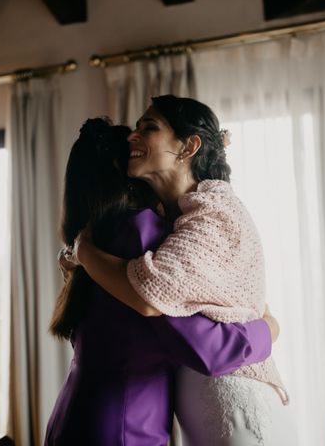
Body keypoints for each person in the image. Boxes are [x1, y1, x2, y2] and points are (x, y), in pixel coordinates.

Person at [70, 96, 291, 445]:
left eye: (149, 127)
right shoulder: (164, 223)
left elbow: (152, 296)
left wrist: (82, 251)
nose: (132, 136)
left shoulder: (212, 211)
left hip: (228, 403)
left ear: (188, 146)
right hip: (192, 403)